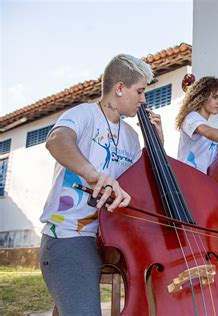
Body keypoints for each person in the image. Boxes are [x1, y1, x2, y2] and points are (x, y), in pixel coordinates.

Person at [39, 54, 163, 315]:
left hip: (113, 236)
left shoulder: (130, 135)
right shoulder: (84, 114)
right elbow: (57, 140)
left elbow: (145, 183)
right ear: (119, 88)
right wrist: (92, 174)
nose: (144, 99)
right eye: (140, 91)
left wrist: (157, 145)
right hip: (71, 234)